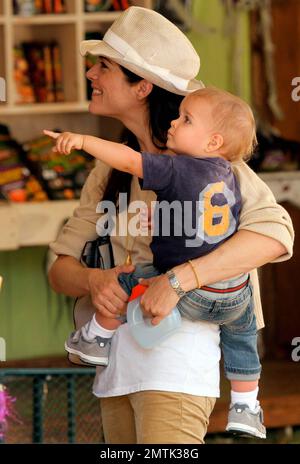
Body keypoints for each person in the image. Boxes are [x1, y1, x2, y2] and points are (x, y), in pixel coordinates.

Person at [48, 7, 294, 444]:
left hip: (176, 362)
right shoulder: (108, 173)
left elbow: (275, 236)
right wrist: (93, 279)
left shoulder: (209, 166)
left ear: (141, 86)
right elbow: (59, 270)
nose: (90, 73)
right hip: (115, 369)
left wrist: (179, 280)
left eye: (103, 66)